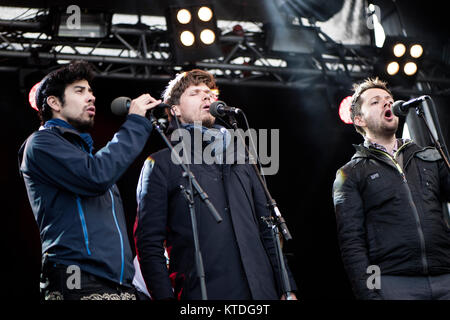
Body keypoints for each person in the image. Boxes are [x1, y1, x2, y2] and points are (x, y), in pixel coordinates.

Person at [133, 69, 297, 300]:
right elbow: (148, 245)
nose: (206, 96)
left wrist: (286, 289)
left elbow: (267, 227)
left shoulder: (242, 158)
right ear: (175, 109)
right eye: (195, 93)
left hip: (261, 291)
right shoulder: (161, 164)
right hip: (203, 293)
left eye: (210, 93)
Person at [18, 60, 161, 300]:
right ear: (54, 102)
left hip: (116, 283)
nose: (91, 97)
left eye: (91, 91)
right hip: (78, 279)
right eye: (79, 90)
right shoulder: (41, 144)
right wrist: (135, 123)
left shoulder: (86, 157)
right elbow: (97, 176)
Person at [332, 77, 450, 300]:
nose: (387, 103)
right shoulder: (351, 173)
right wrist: (369, 293)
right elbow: (352, 243)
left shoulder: (425, 157)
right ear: (359, 119)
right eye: (375, 102)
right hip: (393, 283)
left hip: (445, 275)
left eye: (389, 99)